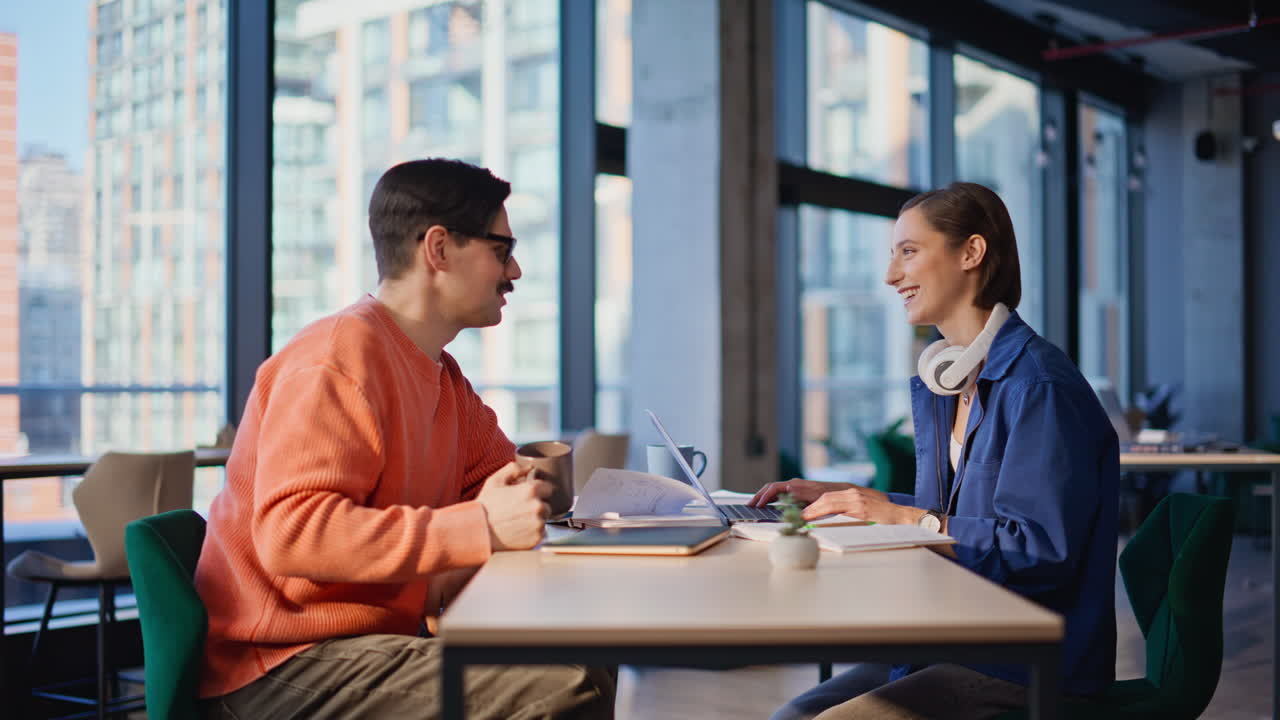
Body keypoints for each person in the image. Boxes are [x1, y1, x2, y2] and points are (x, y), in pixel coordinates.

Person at [194, 159, 615, 719]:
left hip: (369, 643)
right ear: (438, 250)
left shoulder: (443, 376)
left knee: (588, 652)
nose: (515, 270)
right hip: (282, 662)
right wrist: (483, 526)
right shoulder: (335, 361)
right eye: (501, 249)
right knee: (566, 684)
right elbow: (292, 536)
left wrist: (530, 495)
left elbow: (502, 483)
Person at [750, 182, 1119, 720]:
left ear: (971, 253)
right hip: (955, 640)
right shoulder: (952, 383)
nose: (890, 275)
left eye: (908, 251)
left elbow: (1040, 551)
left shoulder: (1037, 387)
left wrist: (901, 516)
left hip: (1026, 664)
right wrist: (854, 499)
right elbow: (960, 519)